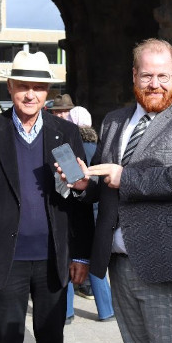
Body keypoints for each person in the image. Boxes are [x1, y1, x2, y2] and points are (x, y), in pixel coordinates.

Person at [60, 38, 172, 343]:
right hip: (120, 263)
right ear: (134, 76)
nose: (155, 84)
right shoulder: (115, 121)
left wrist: (125, 177)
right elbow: (106, 184)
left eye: (163, 75)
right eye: (147, 75)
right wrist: (82, 185)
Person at [0, 50, 94, 343]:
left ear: (48, 92)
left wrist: (81, 254)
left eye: (38, 87)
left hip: (53, 258)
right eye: (22, 86)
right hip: (6, 257)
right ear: (10, 87)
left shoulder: (66, 133)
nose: (30, 94)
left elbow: (79, 196)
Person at [52, 96, 116, 324]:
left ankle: (67, 311)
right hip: (99, 209)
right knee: (94, 261)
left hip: (76, 208)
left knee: (68, 259)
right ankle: (106, 309)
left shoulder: (67, 147)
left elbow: (66, 181)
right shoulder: (98, 145)